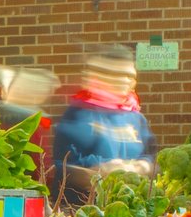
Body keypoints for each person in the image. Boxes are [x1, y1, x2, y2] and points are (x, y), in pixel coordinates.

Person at [51, 45, 156, 206]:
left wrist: (144, 166)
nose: (128, 81)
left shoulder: (136, 118)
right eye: (121, 75)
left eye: (131, 76)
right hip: (82, 210)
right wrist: (101, 170)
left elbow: (153, 160)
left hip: (130, 208)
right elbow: (64, 167)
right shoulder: (79, 113)